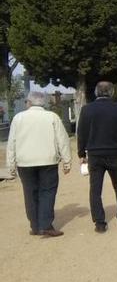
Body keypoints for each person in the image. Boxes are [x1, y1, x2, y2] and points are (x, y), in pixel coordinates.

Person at [6, 91, 72, 237]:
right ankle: (46, 225)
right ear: (44, 103)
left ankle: (35, 225)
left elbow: (12, 143)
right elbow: (63, 140)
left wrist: (11, 166)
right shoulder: (52, 117)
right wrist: (67, 161)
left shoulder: (18, 118)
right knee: (47, 192)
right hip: (48, 160)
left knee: (30, 193)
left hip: (25, 162)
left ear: (28, 102)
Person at [78, 81, 117, 233]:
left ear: (96, 92)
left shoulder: (87, 110)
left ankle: (100, 223)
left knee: (95, 189)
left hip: (95, 154)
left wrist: (81, 153)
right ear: (112, 92)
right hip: (115, 152)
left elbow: (81, 133)